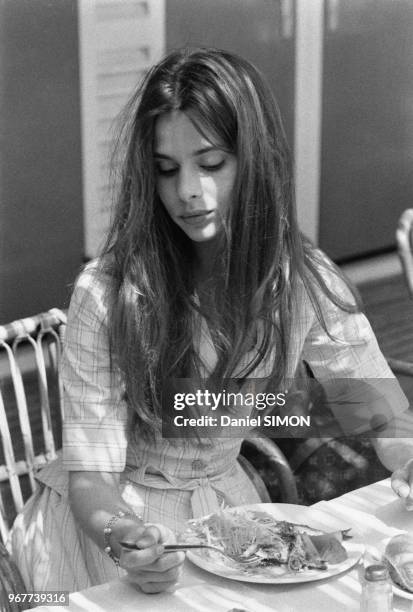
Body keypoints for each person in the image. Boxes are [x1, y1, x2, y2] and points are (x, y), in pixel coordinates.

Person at [10, 46, 413, 594]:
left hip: (227, 514)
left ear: (255, 160)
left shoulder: (297, 277)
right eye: (166, 170)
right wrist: (122, 536)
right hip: (102, 531)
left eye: (212, 163)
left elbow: (380, 417)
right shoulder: (107, 293)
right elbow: (92, 477)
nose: (187, 192)